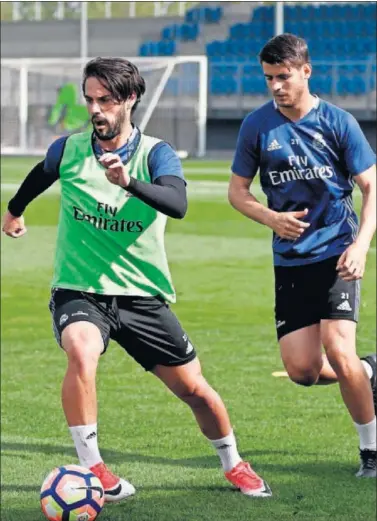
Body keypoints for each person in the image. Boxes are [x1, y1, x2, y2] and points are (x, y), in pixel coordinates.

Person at [2, 57, 272, 501]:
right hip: (81, 288)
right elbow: (39, 177)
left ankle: (234, 463)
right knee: (81, 351)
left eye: (105, 99)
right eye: (90, 99)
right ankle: (95, 472)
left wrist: (128, 182)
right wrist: (15, 211)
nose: (95, 109)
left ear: (129, 99)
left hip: (141, 296)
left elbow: (177, 203)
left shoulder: (156, 154)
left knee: (195, 391)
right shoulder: (67, 150)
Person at [228, 34, 376, 478]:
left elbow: (372, 186)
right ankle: (369, 371)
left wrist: (362, 244)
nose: (276, 86)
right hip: (291, 261)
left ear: (305, 72)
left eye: (283, 77)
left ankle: (370, 452)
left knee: (338, 347)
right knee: (303, 371)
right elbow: (237, 193)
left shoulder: (338, 122)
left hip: (337, 253)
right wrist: (270, 219)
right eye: (269, 78)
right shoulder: (256, 126)